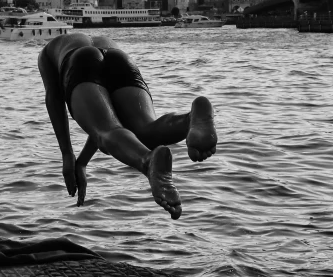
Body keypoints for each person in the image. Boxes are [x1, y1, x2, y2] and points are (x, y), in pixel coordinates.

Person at [38, 33, 217, 220]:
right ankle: (189, 119)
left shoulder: (47, 52)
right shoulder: (99, 39)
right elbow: (106, 114)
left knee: (106, 131)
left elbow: (54, 98)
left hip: (79, 61)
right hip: (120, 58)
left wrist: (67, 153)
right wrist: (81, 162)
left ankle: (147, 161)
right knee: (145, 130)